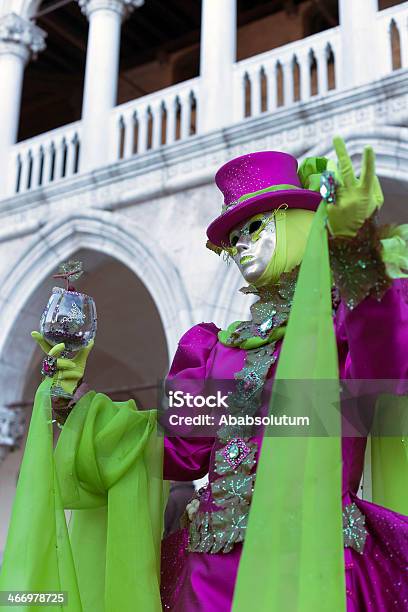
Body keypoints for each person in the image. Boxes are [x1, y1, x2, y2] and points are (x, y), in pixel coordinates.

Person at [1, 137, 408, 612]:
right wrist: (75, 402)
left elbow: (386, 373)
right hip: (211, 578)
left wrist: (355, 254)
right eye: (233, 239)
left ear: (300, 220)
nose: (241, 247)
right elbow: (175, 449)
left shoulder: (345, 323)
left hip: (312, 564)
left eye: (255, 227)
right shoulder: (220, 348)